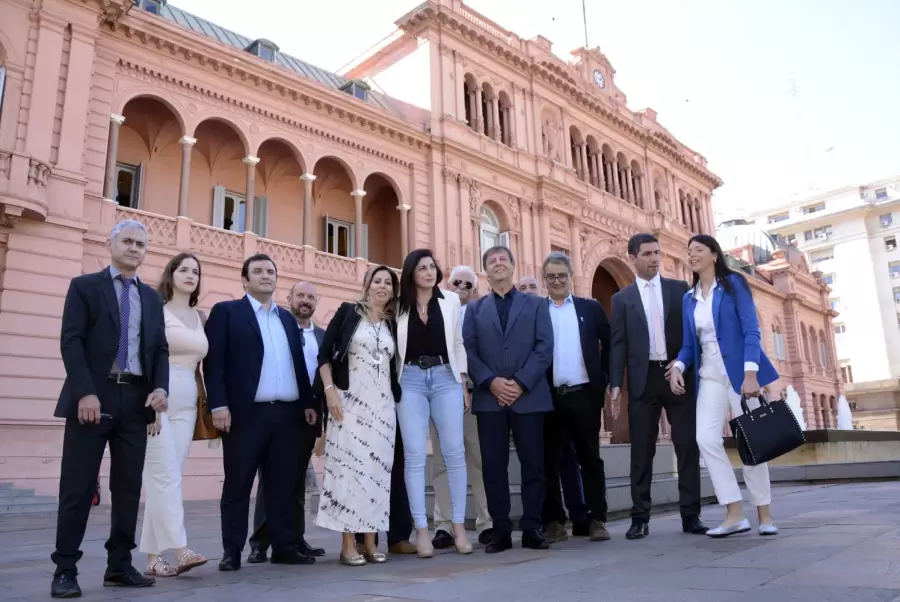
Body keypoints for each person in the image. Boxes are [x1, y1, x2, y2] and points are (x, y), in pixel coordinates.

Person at [51, 220, 169, 598]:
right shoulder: (85, 287)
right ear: (111, 244)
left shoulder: (151, 298)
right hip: (93, 398)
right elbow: (71, 341)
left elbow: (160, 349)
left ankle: (119, 565)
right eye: (128, 241)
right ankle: (65, 569)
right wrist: (85, 392)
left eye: (141, 244)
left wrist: (161, 387)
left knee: (128, 488)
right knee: (78, 486)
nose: (135, 248)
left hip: (135, 401)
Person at [204, 254, 318, 571]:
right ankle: (231, 551)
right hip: (244, 415)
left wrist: (307, 403)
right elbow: (214, 364)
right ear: (245, 279)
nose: (265, 275)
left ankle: (283, 547)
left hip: (286, 416)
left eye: (270, 271)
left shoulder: (286, 319)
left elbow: (297, 364)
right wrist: (218, 404)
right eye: (258, 271)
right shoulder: (227, 312)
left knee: (281, 486)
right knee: (238, 485)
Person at [668, 234, 779, 538]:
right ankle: (733, 512)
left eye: (698, 250)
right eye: (689, 251)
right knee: (705, 439)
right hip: (710, 375)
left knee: (753, 441)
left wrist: (752, 374)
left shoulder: (733, 285)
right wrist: (678, 366)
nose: (691, 255)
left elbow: (751, 330)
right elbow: (690, 345)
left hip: (741, 373)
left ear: (714, 254)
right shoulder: (688, 298)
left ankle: (764, 514)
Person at [609, 233, 708, 540]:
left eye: (657, 252)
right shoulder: (621, 299)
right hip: (643, 381)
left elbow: (693, 334)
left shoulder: (679, 290)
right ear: (633, 258)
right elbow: (617, 344)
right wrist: (615, 384)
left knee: (686, 447)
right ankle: (640, 518)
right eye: (648, 253)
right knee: (641, 451)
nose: (654, 258)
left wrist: (686, 365)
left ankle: (691, 515)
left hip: (676, 374)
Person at [463, 246, 553, 553]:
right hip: (490, 399)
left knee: (533, 465)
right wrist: (491, 382)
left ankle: (532, 527)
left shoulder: (536, 305)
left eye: (503, 259)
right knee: (493, 465)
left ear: (513, 267)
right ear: (486, 270)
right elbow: (469, 351)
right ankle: (500, 529)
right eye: (492, 261)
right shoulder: (475, 310)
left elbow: (544, 347)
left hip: (529, 396)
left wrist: (520, 383)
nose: (498, 263)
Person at [316, 265, 403, 566]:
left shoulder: (392, 323)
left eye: (387, 283)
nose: (382, 286)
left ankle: (370, 541)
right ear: (367, 285)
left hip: (383, 408)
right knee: (348, 472)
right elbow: (324, 354)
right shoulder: (348, 312)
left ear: (393, 290)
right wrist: (329, 392)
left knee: (377, 475)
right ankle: (347, 543)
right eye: (376, 281)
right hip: (348, 403)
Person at [395, 250, 472, 558]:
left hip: (445, 378)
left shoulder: (450, 301)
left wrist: (463, 382)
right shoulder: (398, 305)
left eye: (432, 267)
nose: (428, 272)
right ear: (411, 272)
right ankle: (422, 531)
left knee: (454, 453)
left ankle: (458, 527)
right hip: (410, 379)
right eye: (421, 267)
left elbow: (457, 343)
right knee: (415, 456)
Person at [139, 253, 209, 577]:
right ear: (172, 274)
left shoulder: (200, 316)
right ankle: (181, 550)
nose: (190, 275)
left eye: (195, 271)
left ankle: (153, 559)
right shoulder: (156, 309)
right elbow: (145, 354)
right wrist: (149, 399)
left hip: (188, 404)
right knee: (164, 477)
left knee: (168, 479)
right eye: (184, 269)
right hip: (158, 401)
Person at [248, 281, 327, 563]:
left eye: (311, 297)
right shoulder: (277, 328)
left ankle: (294, 538)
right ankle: (260, 542)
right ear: (288, 298)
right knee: (270, 479)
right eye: (300, 295)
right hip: (278, 410)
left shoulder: (322, 335)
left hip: (308, 414)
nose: (305, 300)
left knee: (296, 480)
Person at [540, 252, 612, 543]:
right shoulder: (536, 311)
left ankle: (597, 519)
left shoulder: (590, 308)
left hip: (584, 394)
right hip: (548, 397)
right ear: (545, 280)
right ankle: (555, 521)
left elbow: (609, 344)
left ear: (571, 278)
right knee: (548, 461)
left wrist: (605, 380)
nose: (557, 281)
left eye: (562, 275)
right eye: (551, 276)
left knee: (590, 459)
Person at [518, 275, 590, 538]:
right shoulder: (522, 321)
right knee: (546, 460)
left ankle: (581, 515)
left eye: (531, 287)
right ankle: (554, 520)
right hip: (539, 397)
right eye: (522, 288)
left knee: (570, 458)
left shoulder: (558, 312)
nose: (527, 291)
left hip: (568, 393)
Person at [430, 266, 494, 549]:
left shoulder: (480, 314)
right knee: (442, 462)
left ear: (475, 290)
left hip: (472, 396)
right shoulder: (433, 310)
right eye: (456, 282)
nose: (461, 287)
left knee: (477, 460)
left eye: (468, 284)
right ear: (447, 283)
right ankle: (443, 525)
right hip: (438, 393)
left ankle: (486, 522)